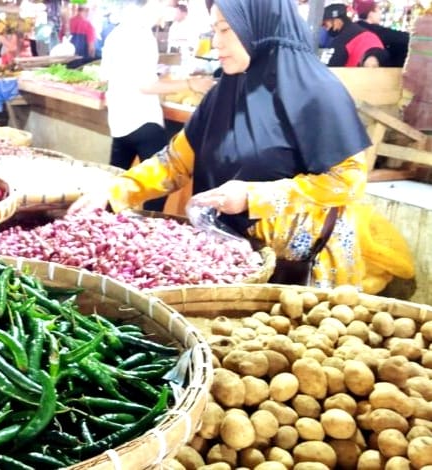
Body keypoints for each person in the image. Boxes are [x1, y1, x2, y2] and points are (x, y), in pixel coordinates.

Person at [71, 0, 413, 290]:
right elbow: (175, 162)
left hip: (305, 270)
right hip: (237, 262)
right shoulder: (224, 92)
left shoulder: (316, 93)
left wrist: (253, 197)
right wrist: (118, 191)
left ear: (258, 25)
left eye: (225, 30)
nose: (215, 42)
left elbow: (348, 181)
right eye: (214, 29)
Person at [102, 0, 214, 212]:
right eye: (172, 4)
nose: (173, 9)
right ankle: (148, 230)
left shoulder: (117, 33)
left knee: (114, 185)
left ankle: (104, 230)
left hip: (118, 121)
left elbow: (110, 75)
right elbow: (146, 85)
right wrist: (192, 84)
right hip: (143, 122)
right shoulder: (141, 36)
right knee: (158, 189)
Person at [321, 3, 387, 67]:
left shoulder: (342, 40)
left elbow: (328, 69)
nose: (325, 29)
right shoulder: (368, 35)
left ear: (337, 21)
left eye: (325, 24)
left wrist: (370, 59)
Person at [354, 0, 409, 67]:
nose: (380, 14)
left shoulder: (355, 28)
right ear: (371, 13)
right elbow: (404, 38)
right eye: (378, 10)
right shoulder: (375, 30)